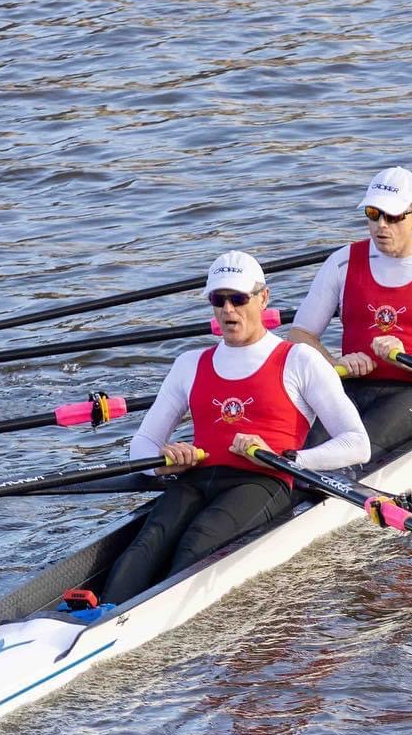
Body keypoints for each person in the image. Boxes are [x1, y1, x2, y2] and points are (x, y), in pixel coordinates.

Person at [99, 251, 369, 604]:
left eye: (239, 299)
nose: (228, 310)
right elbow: (143, 445)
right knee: (148, 542)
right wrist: (163, 461)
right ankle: (102, 612)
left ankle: (139, 619)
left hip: (263, 481)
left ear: (263, 298)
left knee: (198, 541)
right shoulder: (190, 364)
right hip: (197, 478)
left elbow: (357, 444)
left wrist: (288, 459)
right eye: (218, 299)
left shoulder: (300, 360)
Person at [290, 167, 412, 462]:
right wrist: (332, 363)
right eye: (373, 213)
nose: (381, 226)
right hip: (351, 385)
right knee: (301, 446)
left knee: (349, 453)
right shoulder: (341, 263)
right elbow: (300, 336)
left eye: (393, 216)